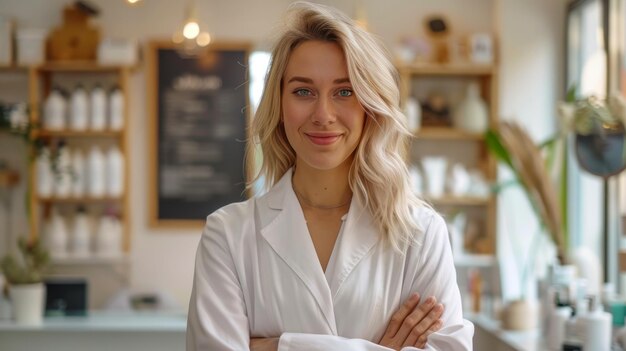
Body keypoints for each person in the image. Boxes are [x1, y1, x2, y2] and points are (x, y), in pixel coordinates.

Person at [186, 2, 474, 350]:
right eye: (303, 91)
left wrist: (277, 346)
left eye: (344, 91)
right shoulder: (228, 235)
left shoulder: (421, 233)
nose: (323, 115)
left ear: (371, 106)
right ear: (279, 105)